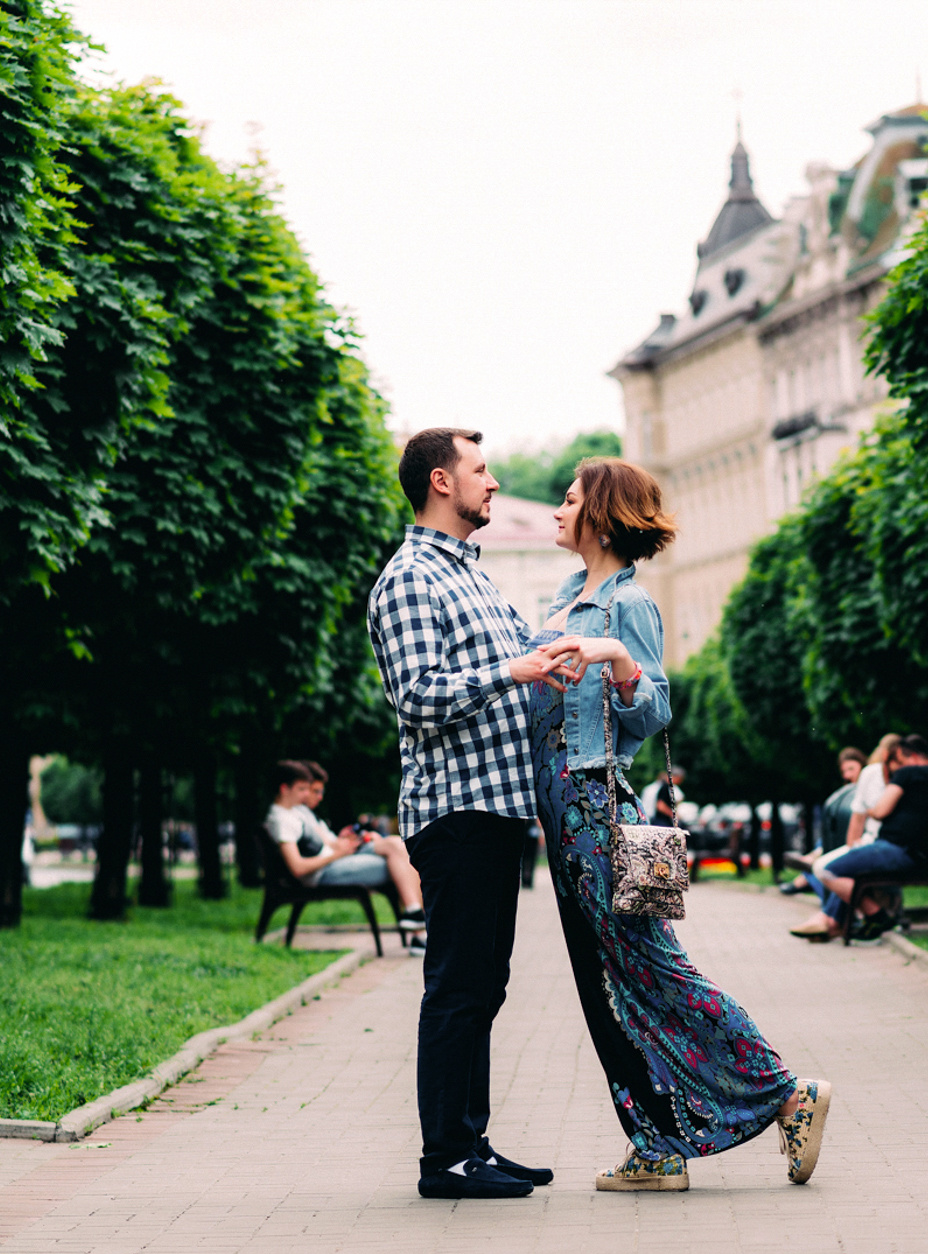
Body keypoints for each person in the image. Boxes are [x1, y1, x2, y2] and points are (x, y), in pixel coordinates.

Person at [527, 455, 834, 1192]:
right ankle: (656, 1144)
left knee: (655, 971)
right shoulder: (568, 597)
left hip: (597, 809)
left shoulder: (625, 606)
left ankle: (787, 1093)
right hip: (563, 816)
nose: (557, 512)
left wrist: (619, 657)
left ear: (600, 513)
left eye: (568, 500)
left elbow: (656, 711)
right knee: (608, 987)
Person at [368, 427, 573, 1202]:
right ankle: (444, 1159)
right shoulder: (411, 579)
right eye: (481, 470)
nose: (494, 482)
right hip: (456, 812)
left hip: (496, 810)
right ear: (440, 482)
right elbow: (415, 697)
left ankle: (471, 1145)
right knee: (458, 985)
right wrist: (509, 670)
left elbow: (534, 655)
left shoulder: (473, 577)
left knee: (485, 983)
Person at [793, 734, 928, 943]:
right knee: (848, 866)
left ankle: (876, 916)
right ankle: (834, 921)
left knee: (823, 868)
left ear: (904, 754)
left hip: (897, 851)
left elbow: (881, 811)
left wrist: (870, 808)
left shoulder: (907, 775)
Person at [263, 760, 427, 938]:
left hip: (335, 860)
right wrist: (338, 853)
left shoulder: (296, 812)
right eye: (302, 789)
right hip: (323, 872)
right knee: (401, 861)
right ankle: (421, 930)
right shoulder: (282, 819)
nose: (306, 794)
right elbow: (298, 868)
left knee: (396, 846)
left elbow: (326, 842)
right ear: (284, 789)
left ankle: (416, 917)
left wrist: (345, 842)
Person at [780, 747, 862, 904]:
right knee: (820, 866)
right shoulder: (846, 794)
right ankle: (810, 865)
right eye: (844, 771)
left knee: (819, 869)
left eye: (851, 769)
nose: (847, 775)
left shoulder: (863, 791)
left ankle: (806, 873)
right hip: (846, 841)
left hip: (856, 841)